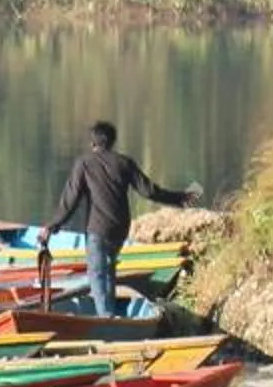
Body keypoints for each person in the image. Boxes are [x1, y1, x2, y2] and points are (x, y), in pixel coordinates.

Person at [45, 122, 196, 316]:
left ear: (93, 142)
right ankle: (110, 313)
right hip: (120, 229)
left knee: (97, 275)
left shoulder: (84, 163)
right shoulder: (124, 163)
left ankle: (106, 320)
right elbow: (149, 191)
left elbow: (70, 200)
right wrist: (181, 198)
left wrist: (52, 226)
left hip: (97, 229)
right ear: (112, 142)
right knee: (108, 271)